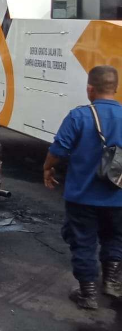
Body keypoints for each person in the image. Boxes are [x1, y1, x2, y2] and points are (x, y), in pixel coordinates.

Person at [44, 65, 122, 309]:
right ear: (116, 88)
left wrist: (47, 168)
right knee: (115, 237)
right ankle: (111, 282)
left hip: (82, 195)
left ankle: (87, 293)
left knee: (83, 241)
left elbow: (58, 150)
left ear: (90, 88)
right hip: (118, 196)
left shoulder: (79, 116)